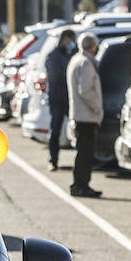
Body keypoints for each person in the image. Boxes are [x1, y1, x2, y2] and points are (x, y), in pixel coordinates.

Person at [66, 32, 103, 198]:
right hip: (86, 116)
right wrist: (97, 108)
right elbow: (85, 90)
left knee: (83, 152)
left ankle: (80, 184)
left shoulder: (76, 60)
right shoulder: (86, 64)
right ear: (93, 46)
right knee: (85, 154)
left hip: (79, 114)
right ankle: (81, 185)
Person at [44, 30, 75, 171]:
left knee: (76, 129)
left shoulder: (72, 54)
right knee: (55, 130)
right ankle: (53, 159)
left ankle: (80, 160)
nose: (71, 43)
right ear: (63, 39)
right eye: (69, 40)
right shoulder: (54, 56)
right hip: (58, 98)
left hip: (71, 99)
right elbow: (56, 77)